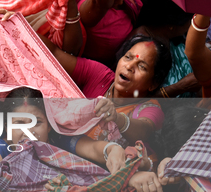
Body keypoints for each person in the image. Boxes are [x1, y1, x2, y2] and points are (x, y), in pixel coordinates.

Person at [42, 34, 172, 146]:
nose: (129, 66)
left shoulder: (151, 109)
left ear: (153, 84)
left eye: (142, 66)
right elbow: (53, 55)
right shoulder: (99, 75)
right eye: (128, 57)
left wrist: (117, 118)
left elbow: (145, 131)